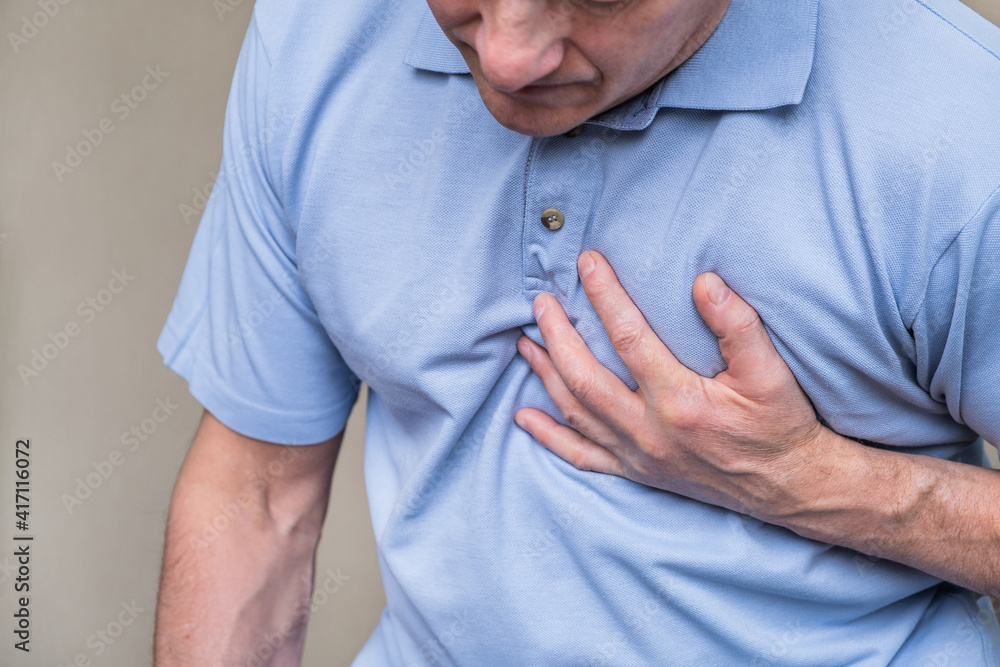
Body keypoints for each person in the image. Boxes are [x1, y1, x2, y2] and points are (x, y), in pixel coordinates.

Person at [153, 0, 1000, 663]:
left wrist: (810, 480)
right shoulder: (312, 40)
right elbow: (258, 497)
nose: (509, 56)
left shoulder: (957, 124)